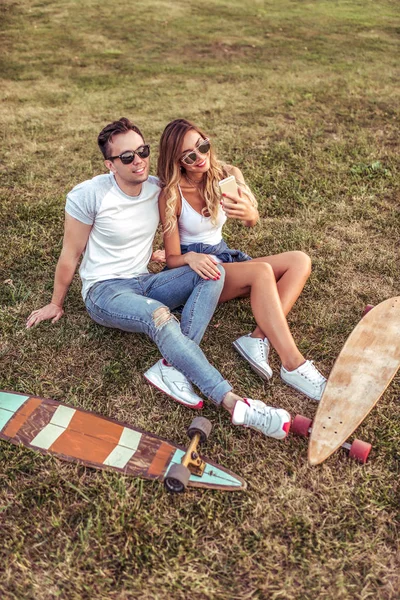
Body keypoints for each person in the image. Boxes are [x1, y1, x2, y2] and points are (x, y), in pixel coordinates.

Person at [26, 117, 291, 440]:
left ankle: (171, 367)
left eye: (142, 151)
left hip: (144, 281)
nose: (138, 161)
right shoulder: (88, 195)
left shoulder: (158, 188)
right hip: (105, 291)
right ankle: (236, 403)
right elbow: (70, 255)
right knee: (160, 317)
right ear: (110, 164)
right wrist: (56, 303)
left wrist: (190, 254)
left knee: (212, 269)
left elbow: (212, 171)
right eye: (127, 157)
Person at [157, 118, 326, 401]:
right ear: (178, 162)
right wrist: (191, 257)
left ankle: (257, 338)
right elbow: (172, 259)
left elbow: (251, 219)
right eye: (190, 155)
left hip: (226, 259)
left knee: (299, 260)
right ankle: (292, 364)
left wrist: (250, 214)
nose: (200, 157)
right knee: (260, 272)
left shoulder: (227, 174)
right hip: (200, 274)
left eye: (203, 146)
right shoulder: (172, 194)